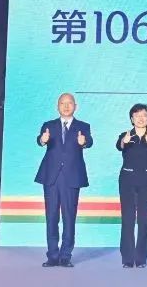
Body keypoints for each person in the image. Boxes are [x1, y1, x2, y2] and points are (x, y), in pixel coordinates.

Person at [34, 92, 93, 268]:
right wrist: (42, 140)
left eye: (69, 103)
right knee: (51, 217)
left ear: (75, 106)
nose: (66, 106)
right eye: (62, 103)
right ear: (57, 106)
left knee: (69, 217)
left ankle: (66, 255)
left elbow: (89, 141)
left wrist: (83, 142)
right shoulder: (49, 125)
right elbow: (40, 140)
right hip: (51, 177)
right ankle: (52, 255)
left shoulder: (83, 126)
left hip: (72, 177)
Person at [116, 103, 147, 268]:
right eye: (137, 116)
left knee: (144, 220)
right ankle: (128, 259)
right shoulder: (125, 135)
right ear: (132, 119)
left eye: (144, 115)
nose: (141, 118)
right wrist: (124, 141)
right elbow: (119, 146)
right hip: (127, 181)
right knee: (127, 220)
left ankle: (141, 258)